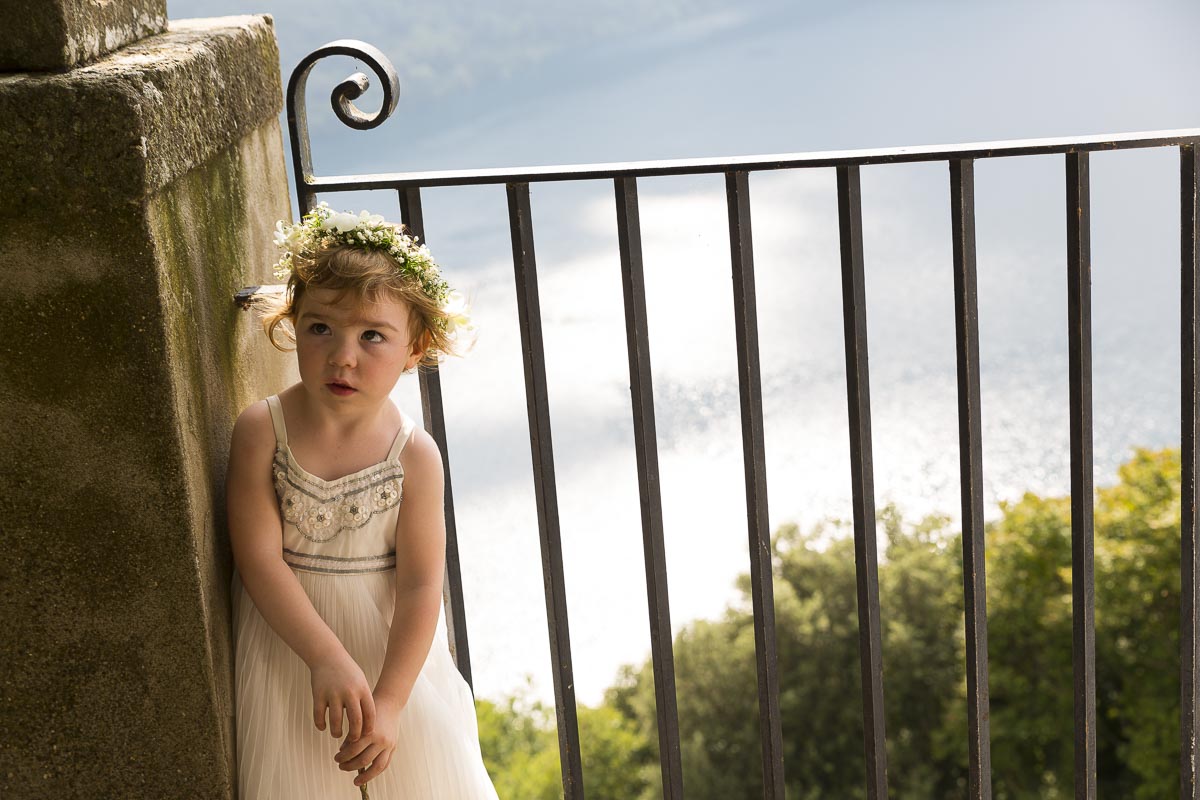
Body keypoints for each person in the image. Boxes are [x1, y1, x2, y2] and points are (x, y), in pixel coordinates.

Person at [226, 202, 497, 798]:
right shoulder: (261, 430)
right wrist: (324, 656)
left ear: (415, 349)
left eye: (372, 336)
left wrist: (394, 702)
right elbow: (259, 560)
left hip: (390, 663)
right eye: (321, 327)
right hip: (289, 652)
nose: (343, 355)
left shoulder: (414, 455)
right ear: (293, 324)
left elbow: (423, 585)